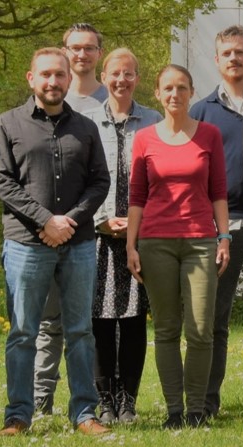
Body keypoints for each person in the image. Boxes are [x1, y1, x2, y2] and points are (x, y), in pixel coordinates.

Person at [0, 47, 112, 437]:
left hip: (78, 243)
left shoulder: (86, 128)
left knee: (80, 331)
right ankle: (18, 415)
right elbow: (2, 181)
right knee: (23, 332)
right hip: (26, 245)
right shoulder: (7, 124)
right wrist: (46, 220)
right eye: (45, 74)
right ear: (31, 78)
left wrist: (68, 221)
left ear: (69, 79)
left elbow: (100, 182)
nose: (53, 81)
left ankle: (84, 413)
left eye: (60, 74)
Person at [126, 64, 232, 429]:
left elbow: (218, 191)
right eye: (168, 88)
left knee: (201, 330)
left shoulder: (209, 135)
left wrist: (224, 237)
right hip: (155, 242)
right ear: (157, 93)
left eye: (182, 88)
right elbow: (137, 196)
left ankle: (196, 410)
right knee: (167, 330)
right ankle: (174, 412)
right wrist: (131, 246)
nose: (175, 94)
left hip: (201, 242)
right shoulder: (144, 139)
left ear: (191, 92)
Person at [189, 25, 243, 418]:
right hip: (218, 229)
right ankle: (207, 402)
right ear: (217, 60)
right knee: (213, 319)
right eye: (226, 53)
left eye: (240, 52)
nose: (234, 59)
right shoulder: (201, 111)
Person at [81, 48, 162, 425]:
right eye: (115, 73)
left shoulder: (154, 121)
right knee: (98, 321)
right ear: (103, 77)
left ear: (138, 79)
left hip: (140, 238)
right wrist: (100, 219)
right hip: (96, 237)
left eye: (129, 74)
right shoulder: (85, 122)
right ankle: (104, 401)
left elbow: (162, 180)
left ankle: (128, 400)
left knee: (133, 320)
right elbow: (80, 178)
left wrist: (137, 224)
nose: (121, 80)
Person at [34, 24, 110, 414]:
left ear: (99, 53)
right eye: (74, 48)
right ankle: (40, 398)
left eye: (89, 48)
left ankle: (97, 401)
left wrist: (75, 219)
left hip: (94, 225)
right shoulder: (45, 96)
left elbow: (107, 174)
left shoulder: (113, 98)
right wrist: (48, 222)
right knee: (48, 321)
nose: (81, 55)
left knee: (91, 322)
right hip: (44, 230)